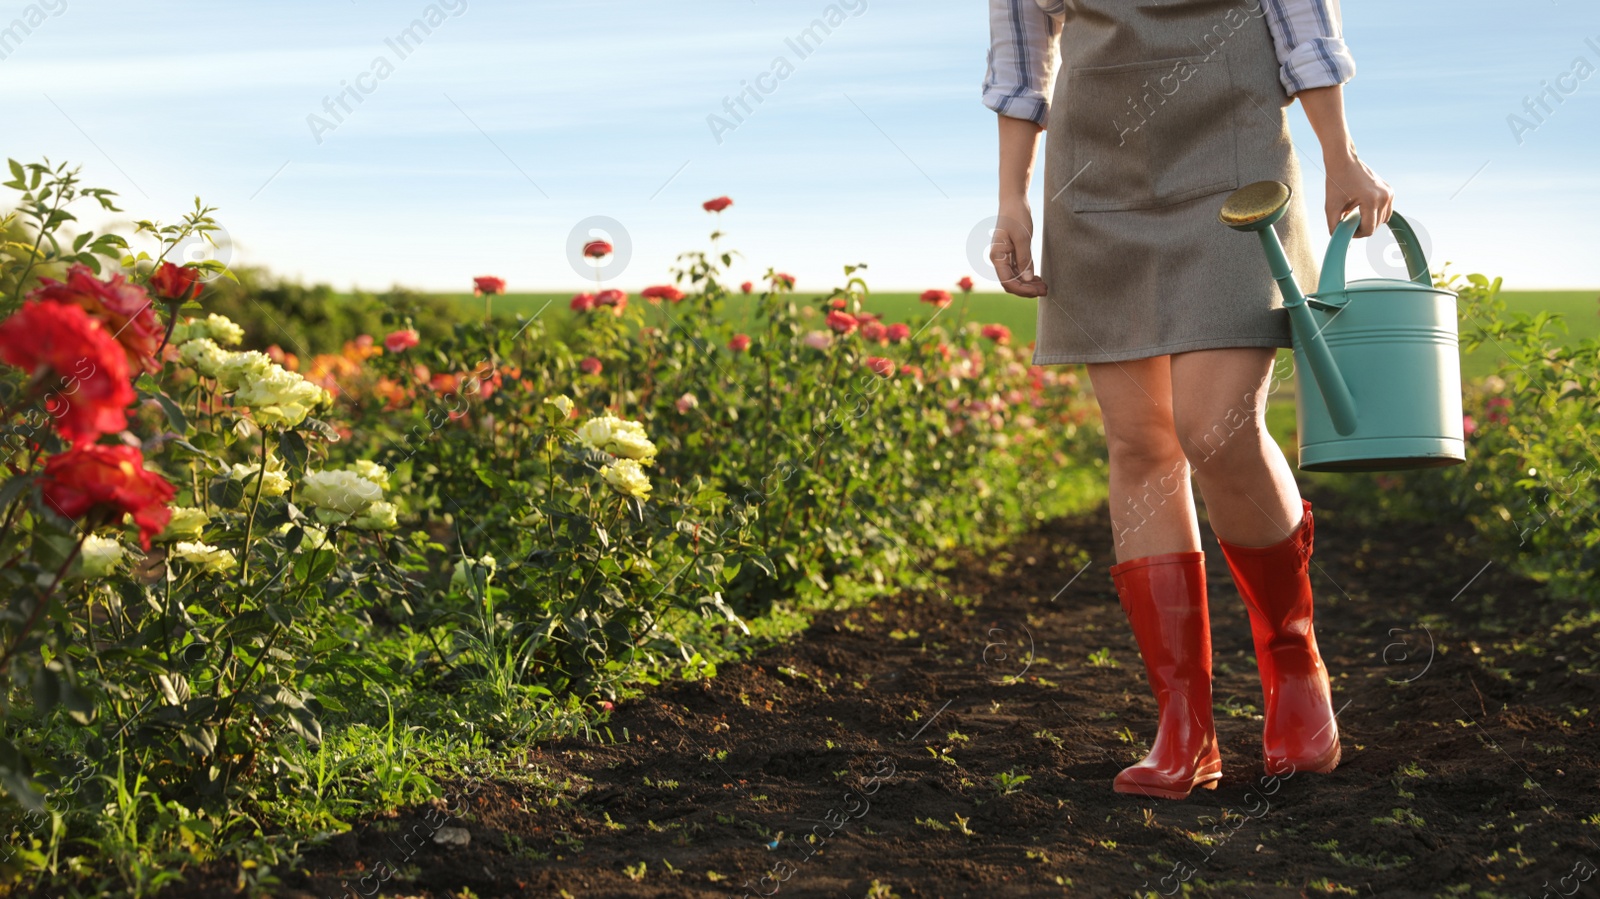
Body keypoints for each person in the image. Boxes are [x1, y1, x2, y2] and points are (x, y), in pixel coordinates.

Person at [984, 0, 1393, 800]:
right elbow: (1021, 61)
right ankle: (1184, 724)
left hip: (1238, 166)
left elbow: (1304, 23)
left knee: (1216, 429)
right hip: (1094, 176)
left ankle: (1294, 663)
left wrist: (1340, 153)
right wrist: (1012, 195)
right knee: (1140, 443)